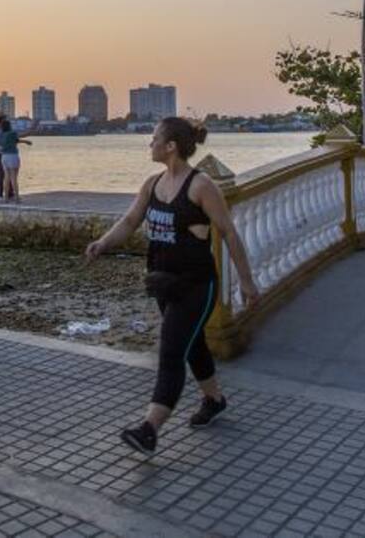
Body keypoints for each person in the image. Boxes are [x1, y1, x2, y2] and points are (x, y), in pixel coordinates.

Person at [85, 117, 259, 456]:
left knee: (171, 352)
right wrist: (103, 243)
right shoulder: (152, 184)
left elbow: (229, 232)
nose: (149, 145)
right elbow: (130, 220)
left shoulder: (201, 186)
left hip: (196, 285)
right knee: (193, 346)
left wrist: (247, 283)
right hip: (163, 284)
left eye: (153, 139)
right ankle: (214, 399)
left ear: (171, 146)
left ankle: (150, 428)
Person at [0, 119, 32, 203]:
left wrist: (25, 142)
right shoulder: (12, 133)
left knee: (6, 177)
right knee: (14, 177)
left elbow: (15, 141)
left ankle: (6, 198)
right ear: (9, 126)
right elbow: (24, 134)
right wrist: (32, 128)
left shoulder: (1, 135)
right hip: (12, 156)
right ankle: (16, 198)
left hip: (4, 157)